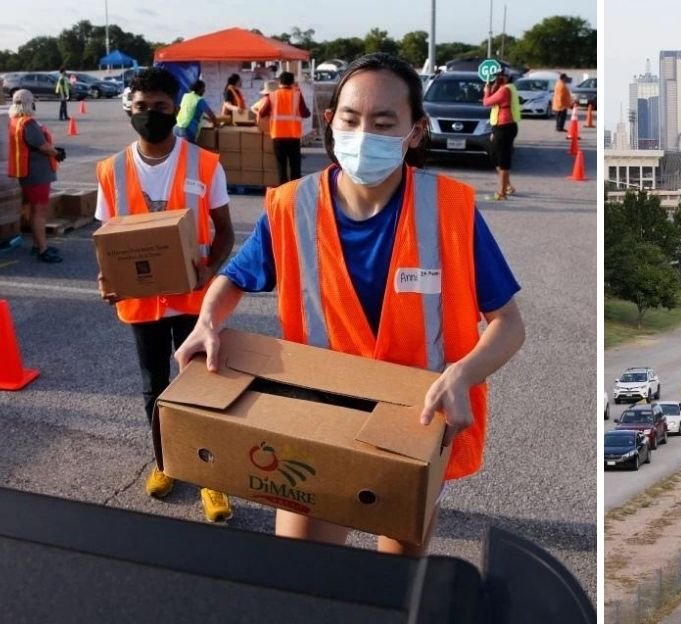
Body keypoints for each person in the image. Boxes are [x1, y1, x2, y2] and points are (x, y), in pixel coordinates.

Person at [173, 52, 525, 556]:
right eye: (351, 118)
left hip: (413, 423)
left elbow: (508, 323)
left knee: (396, 583)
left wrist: (464, 373)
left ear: (416, 131)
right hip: (315, 418)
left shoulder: (450, 210)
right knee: (307, 577)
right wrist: (208, 321)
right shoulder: (292, 206)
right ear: (329, 122)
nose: (365, 134)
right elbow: (232, 278)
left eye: (385, 123)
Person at [94, 67, 236, 522]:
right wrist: (106, 278)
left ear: (175, 108)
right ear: (129, 110)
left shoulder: (205, 163)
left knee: (204, 385)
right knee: (153, 385)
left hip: (194, 300)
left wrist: (209, 271)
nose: (150, 115)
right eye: (141, 107)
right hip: (141, 302)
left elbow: (226, 232)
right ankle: (166, 460)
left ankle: (211, 474)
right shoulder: (110, 170)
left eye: (159, 107)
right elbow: (108, 237)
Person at [7, 89, 62, 263]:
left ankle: (39, 243)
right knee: (39, 211)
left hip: (27, 171)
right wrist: (56, 153)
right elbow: (41, 145)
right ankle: (42, 249)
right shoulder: (28, 123)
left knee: (33, 209)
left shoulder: (15, 121)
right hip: (36, 173)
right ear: (30, 103)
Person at [256, 71, 309, 183]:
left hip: (278, 135)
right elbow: (305, 113)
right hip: (294, 136)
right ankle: (295, 191)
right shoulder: (297, 95)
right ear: (293, 82)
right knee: (295, 166)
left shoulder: (273, 95)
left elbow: (262, 113)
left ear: (279, 82)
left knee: (282, 166)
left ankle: (283, 191)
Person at [482, 73, 521, 200]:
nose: (495, 81)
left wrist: (486, 91)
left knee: (503, 160)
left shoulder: (504, 91)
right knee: (494, 156)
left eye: (497, 78)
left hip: (505, 127)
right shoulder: (509, 88)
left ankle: (502, 193)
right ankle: (508, 185)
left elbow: (486, 102)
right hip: (500, 127)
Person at [174, 80, 220, 144]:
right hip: (187, 130)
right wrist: (216, 126)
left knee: (179, 152)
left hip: (177, 128)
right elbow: (211, 115)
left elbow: (189, 111)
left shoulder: (186, 96)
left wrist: (206, 119)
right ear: (200, 89)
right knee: (190, 152)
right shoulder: (199, 100)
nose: (204, 91)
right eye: (203, 88)